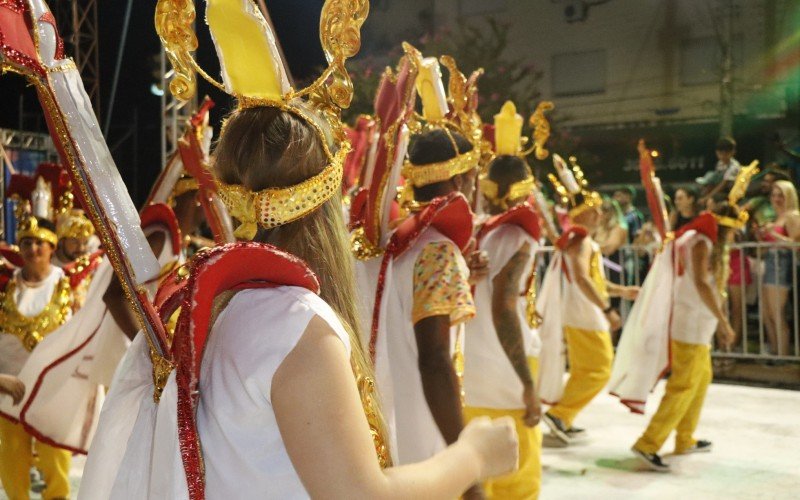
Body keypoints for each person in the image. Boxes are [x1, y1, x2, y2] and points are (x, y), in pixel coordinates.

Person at [81, 2, 518, 498]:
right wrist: (472, 457)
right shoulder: (295, 326)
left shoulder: (219, 303)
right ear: (326, 200)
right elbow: (360, 495)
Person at [463, 101, 543, 499]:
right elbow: (504, 306)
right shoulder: (517, 235)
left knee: (474, 482)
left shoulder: (473, 230)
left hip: (468, 374)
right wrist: (527, 384)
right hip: (503, 379)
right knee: (517, 484)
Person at [631, 205, 738, 471]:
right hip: (690, 325)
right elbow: (701, 282)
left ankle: (684, 438)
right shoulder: (701, 242)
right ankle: (648, 443)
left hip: (698, 325)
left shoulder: (703, 241)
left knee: (700, 381)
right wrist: (724, 322)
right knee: (683, 386)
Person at [541, 156, 639, 445]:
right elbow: (583, 279)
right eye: (593, 211)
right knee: (599, 370)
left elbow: (593, 279)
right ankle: (560, 414)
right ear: (582, 215)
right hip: (585, 314)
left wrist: (621, 291)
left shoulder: (586, 242)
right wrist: (608, 309)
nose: (599, 215)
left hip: (583, 312)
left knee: (587, 370)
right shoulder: (582, 241)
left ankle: (563, 416)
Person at [0, 214, 74, 500]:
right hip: (10, 387)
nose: (33, 249)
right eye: (27, 243)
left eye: (39, 243)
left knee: (55, 460)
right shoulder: (5, 285)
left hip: (52, 389)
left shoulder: (69, 285)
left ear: (52, 246)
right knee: (13, 463)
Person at [757, 180, 800, 355]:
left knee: (777, 312)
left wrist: (772, 233)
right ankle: (776, 352)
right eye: (774, 195)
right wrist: (762, 235)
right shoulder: (777, 217)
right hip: (771, 260)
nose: (776, 198)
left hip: (782, 262)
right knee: (767, 313)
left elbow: (796, 244)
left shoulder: (792, 215)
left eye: (780, 195)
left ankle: (783, 355)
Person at [698, 137, 741, 201]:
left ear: (733, 152)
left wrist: (707, 197)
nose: (722, 156)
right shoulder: (719, 163)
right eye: (720, 153)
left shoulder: (734, 166)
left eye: (726, 154)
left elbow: (723, 185)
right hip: (718, 191)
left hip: (731, 193)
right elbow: (715, 181)